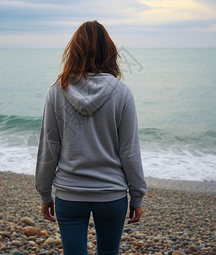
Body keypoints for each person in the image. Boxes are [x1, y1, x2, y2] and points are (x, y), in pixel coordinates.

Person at [35, 20, 147, 255]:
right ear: (109, 52)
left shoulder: (57, 91)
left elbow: (49, 146)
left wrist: (45, 192)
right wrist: (137, 195)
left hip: (70, 193)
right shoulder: (122, 92)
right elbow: (129, 151)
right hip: (112, 194)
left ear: (74, 51)